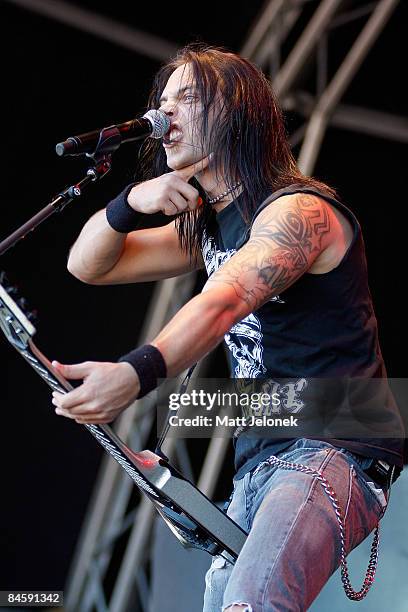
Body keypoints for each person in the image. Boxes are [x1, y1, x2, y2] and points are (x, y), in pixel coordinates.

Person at [51, 44, 404, 611]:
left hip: (332, 440)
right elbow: (88, 265)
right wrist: (127, 203)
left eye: (188, 99)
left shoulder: (298, 213)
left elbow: (227, 299)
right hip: (262, 448)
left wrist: (135, 373)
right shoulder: (212, 226)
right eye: (162, 101)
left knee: (252, 603)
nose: (164, 117)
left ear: (237, 114)